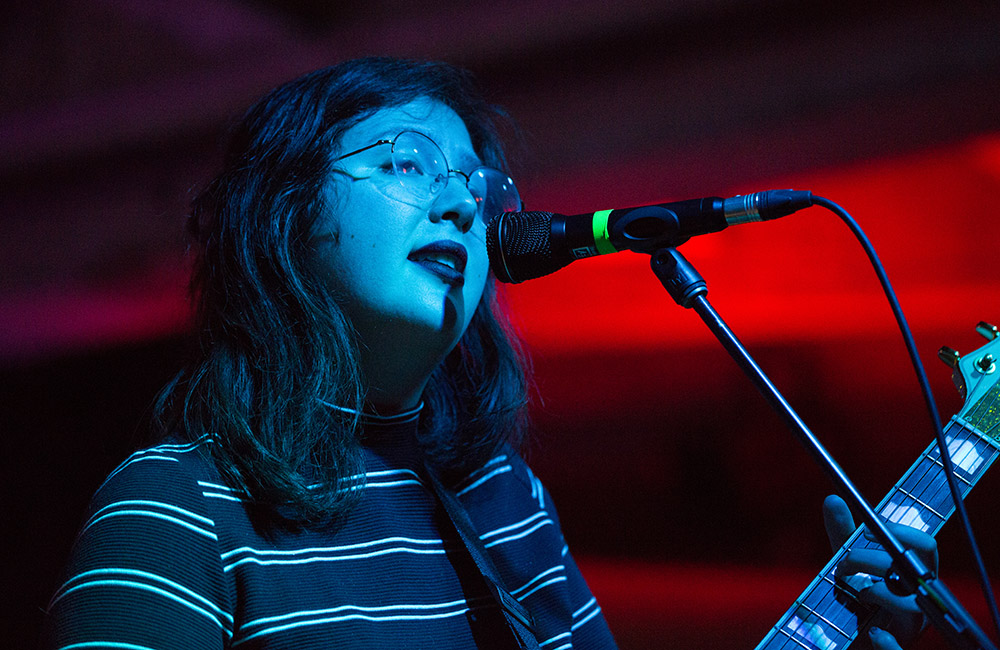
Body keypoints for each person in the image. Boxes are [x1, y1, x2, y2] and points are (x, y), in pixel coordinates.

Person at [40, 57, 934, 650]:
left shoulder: (502, 496)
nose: (463, 205)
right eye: (404, 166)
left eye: (475, 183)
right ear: (286, 218)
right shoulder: (178, 505)